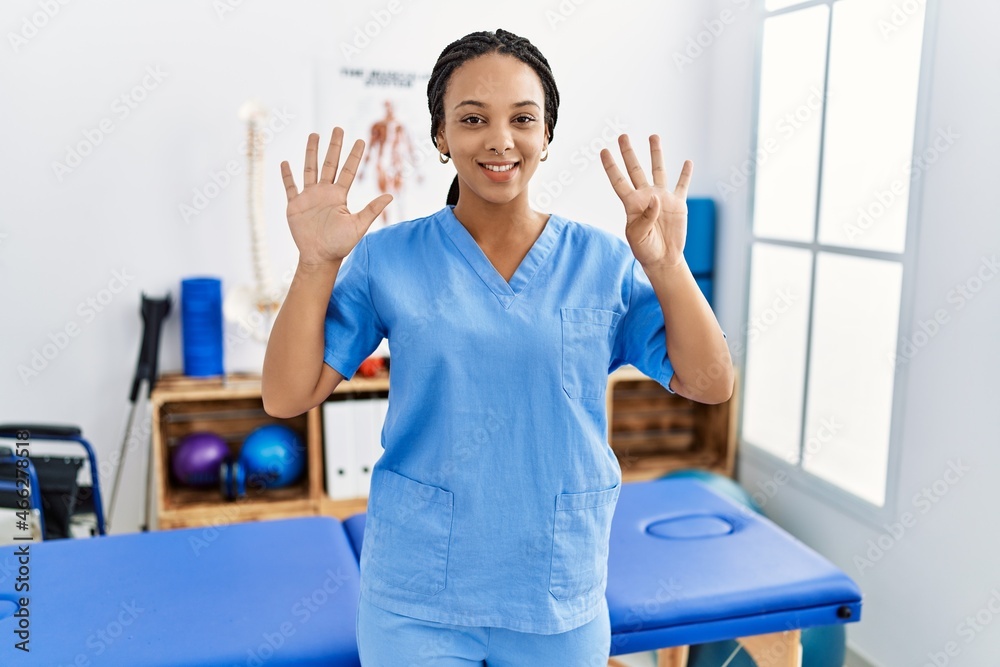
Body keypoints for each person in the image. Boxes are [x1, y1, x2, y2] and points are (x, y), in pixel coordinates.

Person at [262, 28, 733, 667]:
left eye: (522, 119)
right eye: (473, 119)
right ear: (440, 135)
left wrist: (669, 266)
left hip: (555, 591)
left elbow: (709, 383)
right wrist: (315, 262)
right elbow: (287, 395)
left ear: (547, 134)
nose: (500, 139)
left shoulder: (599, 261)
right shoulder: (388, 258)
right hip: (417, 596)